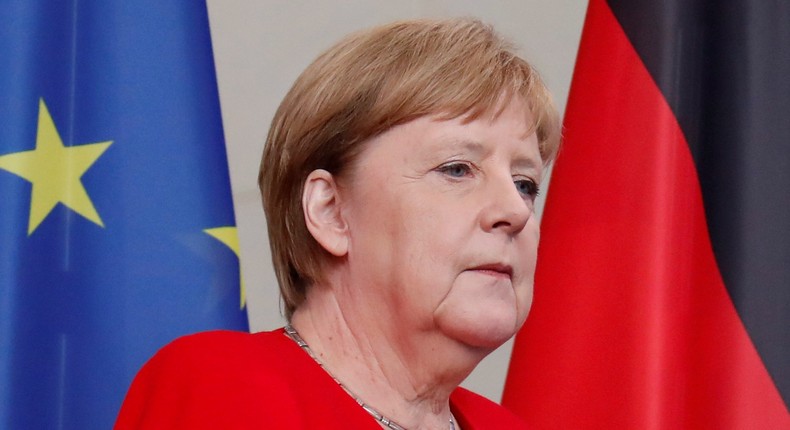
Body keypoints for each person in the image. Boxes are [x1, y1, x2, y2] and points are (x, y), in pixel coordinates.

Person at [115, 17, 560, 429]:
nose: (516, 211)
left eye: (525, 184)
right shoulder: (222, 389)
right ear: (330, 212)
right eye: (457, 169)